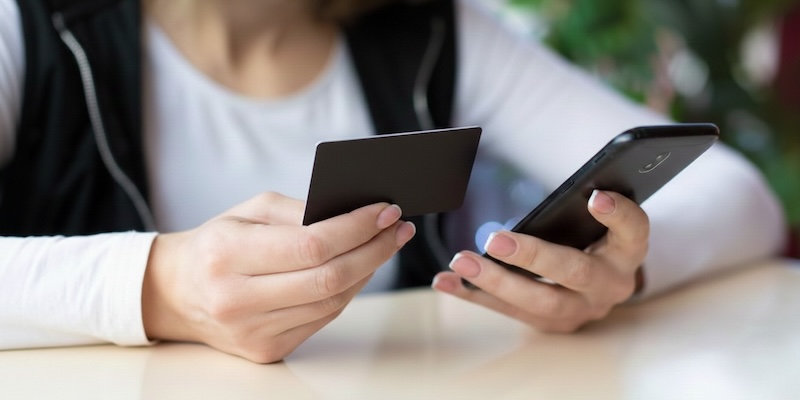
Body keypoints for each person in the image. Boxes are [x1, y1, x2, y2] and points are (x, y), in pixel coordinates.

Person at [0, 0, 785, 363]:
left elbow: (742, 198)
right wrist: (158, 285)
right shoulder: (24, 28)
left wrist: (622, 270)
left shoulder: (431, 32)